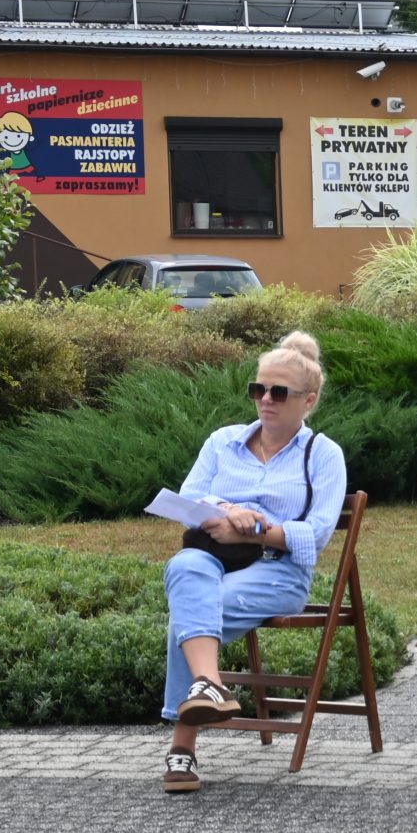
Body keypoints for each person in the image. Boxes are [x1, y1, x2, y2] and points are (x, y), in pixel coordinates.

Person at [159, 332, 348, 794]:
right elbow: (188, 498)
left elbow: (318, 533)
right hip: (213, 554)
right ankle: (209, 683)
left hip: (278, 569)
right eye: (258, 389)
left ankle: (183, 745)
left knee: (195, 607)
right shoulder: (223, 442)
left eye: (279, 392)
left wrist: (256, 530)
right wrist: (227, 511)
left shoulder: (323, 454)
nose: (265, 399)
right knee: (185, 569)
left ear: (308, 400)